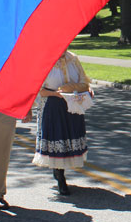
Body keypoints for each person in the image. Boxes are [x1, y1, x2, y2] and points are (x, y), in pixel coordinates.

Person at [32, 50, 92, 195]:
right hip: (52, 105)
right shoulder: (44, 59)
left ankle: (60, 172)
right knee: (57, 137)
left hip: (72, 104)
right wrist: (56, 94)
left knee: (69, 138)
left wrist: (85, 89)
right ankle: (60, 176)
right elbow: (38, 90)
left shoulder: (73, 58)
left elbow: (84, 81)